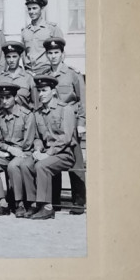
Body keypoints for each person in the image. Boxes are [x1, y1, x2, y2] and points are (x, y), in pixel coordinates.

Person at [44, 37, 87, 211]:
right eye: (50, 53)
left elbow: (83, 100)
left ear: (63, 54)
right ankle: (55, 200)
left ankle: (78, 201)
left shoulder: (72, 74)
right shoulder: (45, 74)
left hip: (70, 122)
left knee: (76, 162)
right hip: (52, 123)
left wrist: (81, 123)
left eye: (56, 53)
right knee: (53, 158)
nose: (53, 56)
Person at [28, 75, 78, 220]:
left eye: (44, 90)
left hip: (64, 154)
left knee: (42, 166)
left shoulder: (65, 109)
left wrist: (48, 154)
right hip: (47, 153)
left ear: (54, 91)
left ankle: (47, 207)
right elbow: (37, 137)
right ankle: (34, 204)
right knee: (26, 164)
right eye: (39, 91)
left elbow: (66, 137)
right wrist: (37, 149)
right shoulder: (38, 113)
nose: (41, 94)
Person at [0, 81, 36, 217]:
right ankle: (2, 204)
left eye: (8, 97)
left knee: (13, 166)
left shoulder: (27, 115)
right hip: (8, 153)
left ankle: (19, 204)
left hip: (24, 153)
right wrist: (8, 149)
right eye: (2, 98)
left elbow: (29, 142)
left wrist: (15, 150)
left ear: (15, 98)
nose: (4, 101)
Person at [21, 0, 63, 75]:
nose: (31, 12)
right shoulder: (25, 31)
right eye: (29, 9)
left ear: (42, 9)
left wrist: (56, 72)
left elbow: (61, 52)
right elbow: (24, 54)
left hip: (46, 72)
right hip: (29, 72)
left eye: (34, 8)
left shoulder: (52, 28)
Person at [0, 41, 38, 110]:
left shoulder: (29, 78)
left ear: (20, 57)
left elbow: (35, 104)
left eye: (14, 56)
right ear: (5, 58)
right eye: (8, 57)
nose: (11, 60)